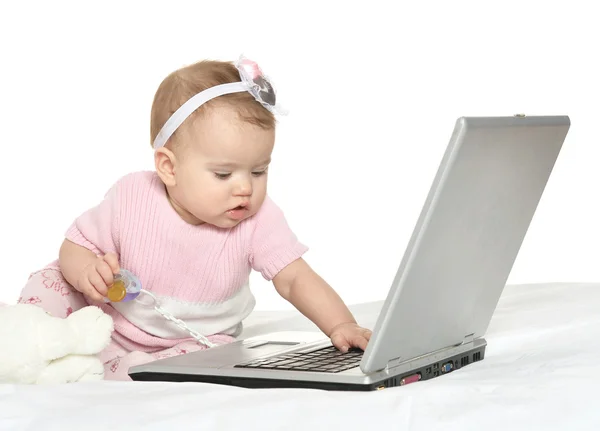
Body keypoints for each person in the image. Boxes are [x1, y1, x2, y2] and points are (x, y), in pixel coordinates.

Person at [13, 56, 372, 381]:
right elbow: (74, 246)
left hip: (192, 338)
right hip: (106, 319)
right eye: (223, 174)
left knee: (203, 360)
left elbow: (295, 278)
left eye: (259, 171)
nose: (245, 188)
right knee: (52, 281)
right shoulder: (132, 196)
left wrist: (341, 324)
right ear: (169, 167)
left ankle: (91, 368)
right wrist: (86, 270)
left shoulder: (259, 219)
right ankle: (32, 339)